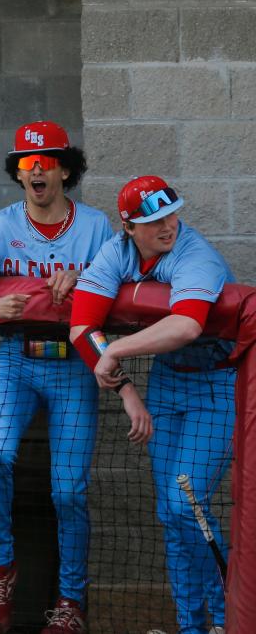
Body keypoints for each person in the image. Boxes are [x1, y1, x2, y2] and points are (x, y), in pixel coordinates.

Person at [0, 121, 113, 634]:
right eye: (26, 162)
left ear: (65, 168)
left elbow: (129, 284)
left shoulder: (97, 226)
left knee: (68, 492)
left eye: (46, 161)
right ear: (19, 174)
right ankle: (1, 566)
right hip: (15, 359)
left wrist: (88, 281)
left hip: (74, 364)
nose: (36, 169)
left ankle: (70, 599)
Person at [71, 175, 233, 634]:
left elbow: (186, 327)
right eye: (154, 219)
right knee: (170, 512)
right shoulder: (115, 251)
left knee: (188, 506)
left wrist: (116, 353)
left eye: (171, 213)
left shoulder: (194, 252)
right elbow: (82, 327)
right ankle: (191, 626)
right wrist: (127, 392)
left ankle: (227, 620)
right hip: (165, 385)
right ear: (129, 226)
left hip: (215, 385)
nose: (167, 225)